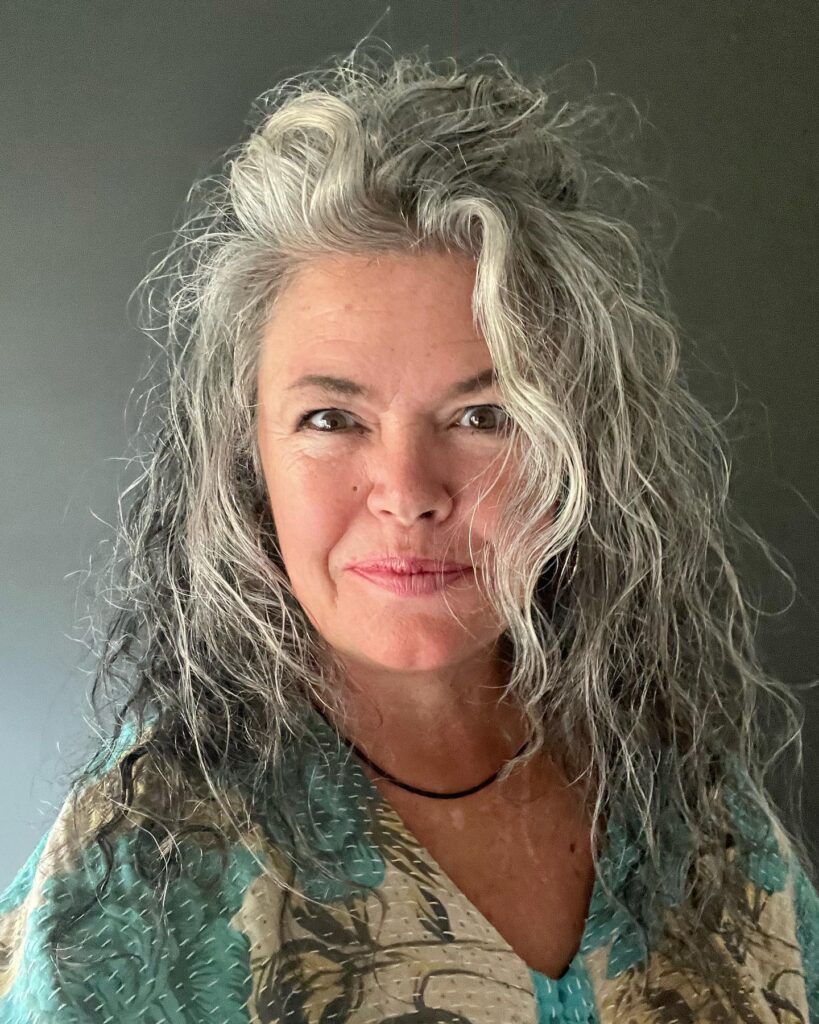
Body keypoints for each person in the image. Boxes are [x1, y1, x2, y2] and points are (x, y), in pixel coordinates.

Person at [0, 48, 817, 1024]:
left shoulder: (688, 798)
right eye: (332, 420)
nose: (407, 492)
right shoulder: (144, 863)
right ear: (245, 456)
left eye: (483, 416)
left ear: (576, 447)